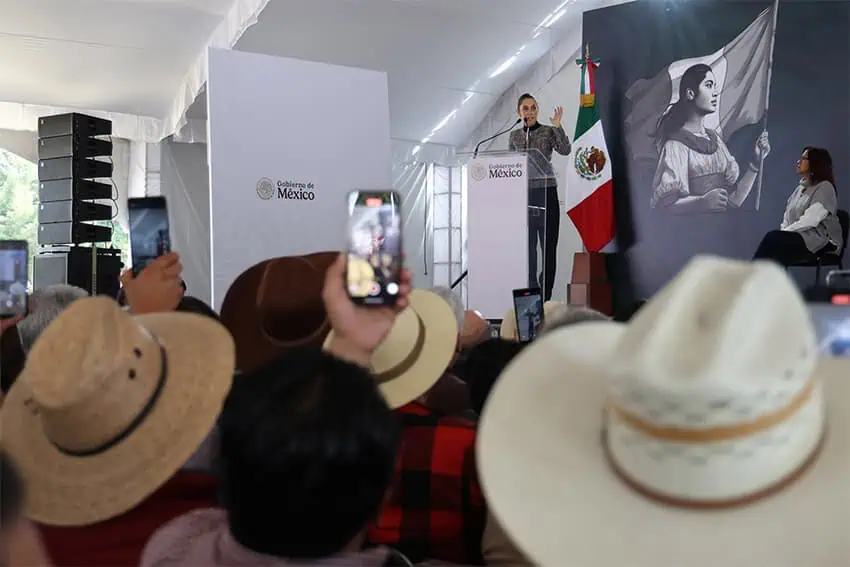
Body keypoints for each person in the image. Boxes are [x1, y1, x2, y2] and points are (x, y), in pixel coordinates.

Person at [652, 63, 770, 214]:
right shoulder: (675, 145)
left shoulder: (715, 140)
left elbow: (734, 200)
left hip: (722, 231)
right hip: (691, 233)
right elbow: (664, 207)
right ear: (690, 94)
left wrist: (755, 163)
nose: (715, 92)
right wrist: (701, 202)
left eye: (714, 86)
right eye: (709, 85)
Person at [509, 93, 572, 300]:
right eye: (525, 108)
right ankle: (531, 295)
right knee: (528, 251)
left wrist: (557, 126)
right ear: (519, 112)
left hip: (546, 192)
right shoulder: (515, 136)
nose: (530, 112)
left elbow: (565, 149)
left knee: (548, 249)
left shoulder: (547, 131)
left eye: (533, 108)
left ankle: (545, 296)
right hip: (524, 196)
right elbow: (511, 166)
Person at [752, 147, 843, 264]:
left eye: (804, 158)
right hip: (801, 237)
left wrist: (784, 234)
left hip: (822, 242)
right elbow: (787, 216)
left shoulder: (825, 188)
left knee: (773, 239)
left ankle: (750, 276)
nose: (799, 161)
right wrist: (784, 232)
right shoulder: (800, 188)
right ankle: (757, 278)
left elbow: (811, 220)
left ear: (815, 164)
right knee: (773, 246)